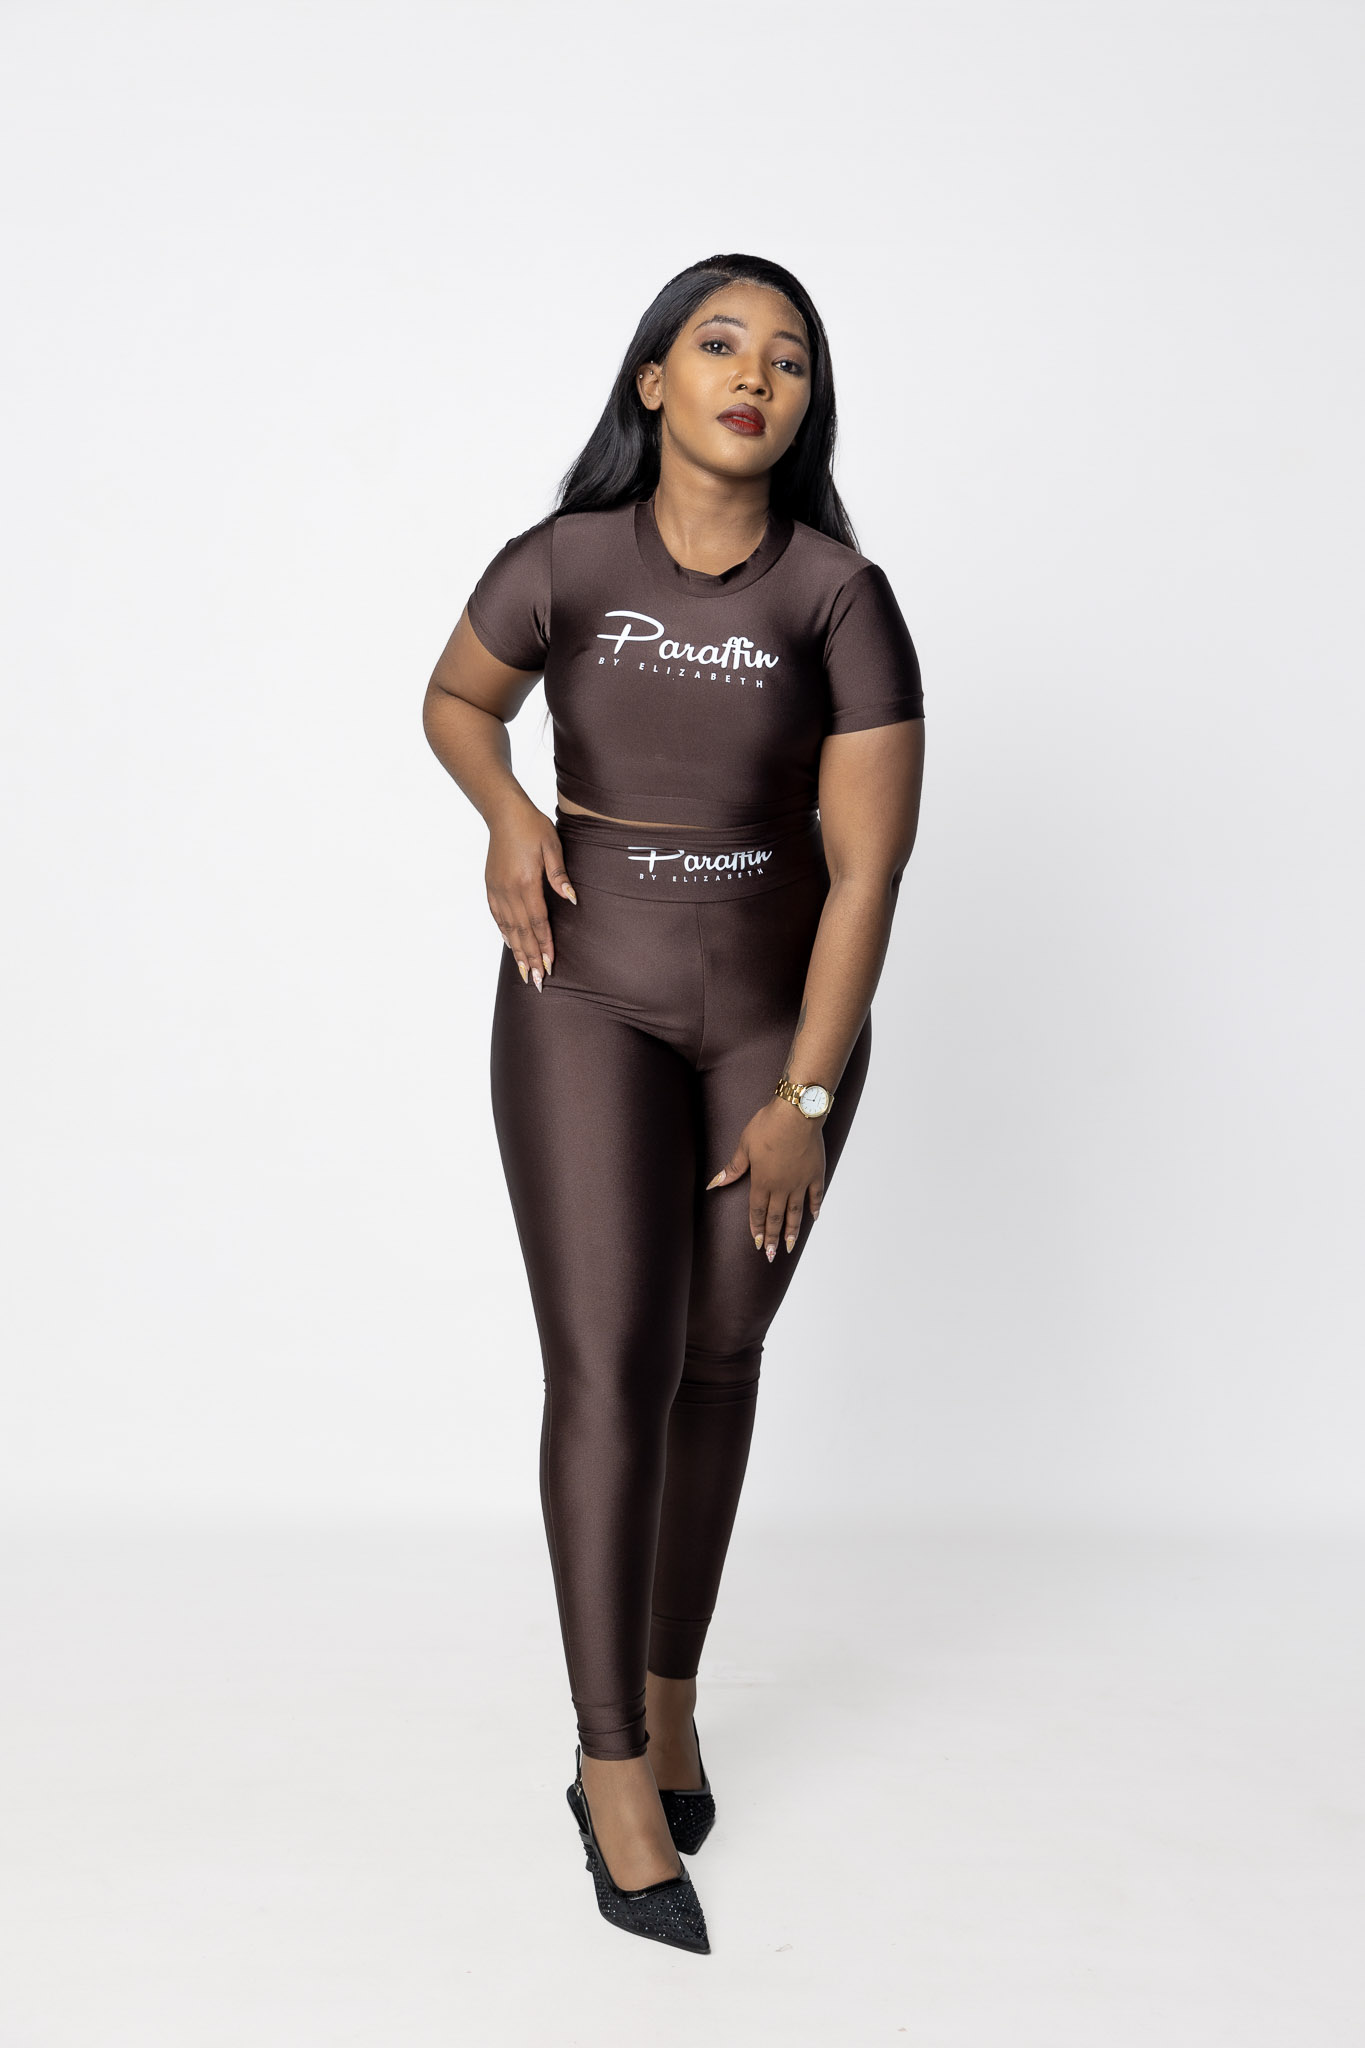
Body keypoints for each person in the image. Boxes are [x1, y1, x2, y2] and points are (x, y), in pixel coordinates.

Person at [421, 252, 926, 1954]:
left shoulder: (838, 596)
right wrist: (508, 812)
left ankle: (670, 1687)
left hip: (776, 1027)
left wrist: (803, 1093)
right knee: (608, 1366)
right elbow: (455, 699)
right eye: (718, 344)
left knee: (717, 1354)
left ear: (804, 405)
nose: (752, 376)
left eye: (787, 358)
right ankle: (609, 1763)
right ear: (653, 380)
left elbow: (866, 875)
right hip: (585, 995)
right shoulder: (564, 563)